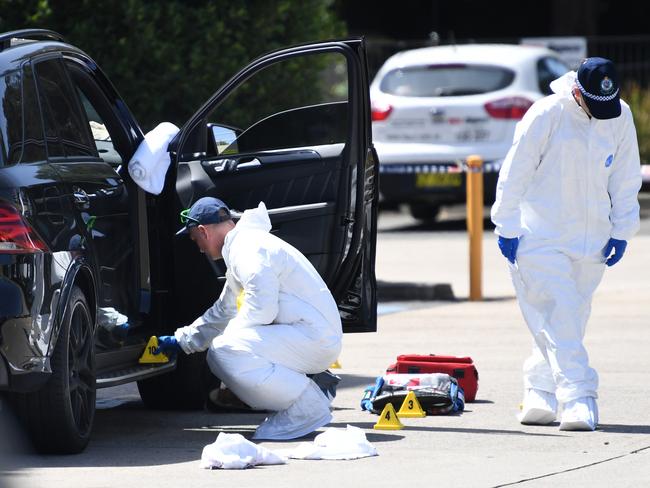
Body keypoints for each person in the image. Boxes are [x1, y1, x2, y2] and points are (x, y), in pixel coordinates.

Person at [491, 57, 642, 431]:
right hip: (540, 236)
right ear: (577, 92)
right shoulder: (545, 114)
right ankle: (579, 396)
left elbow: (625, 174)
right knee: (560, 310)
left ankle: (540, 391)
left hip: (591, 242)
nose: (601, 112)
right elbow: (515, 171)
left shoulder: (618, 115)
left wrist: (622, 229)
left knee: (567, 319)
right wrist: (506, 223)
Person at [154, 197, 342, 440]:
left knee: (225, 350)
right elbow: (225, 310)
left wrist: (231, 338)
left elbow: (262, 308)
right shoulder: (244, 247)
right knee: (229, 346)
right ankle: (311, 390)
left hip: (312, 338)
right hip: (309, 335)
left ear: (203, 231)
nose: (199, 247)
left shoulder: (247, 249)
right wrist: (182, 340)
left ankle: (306, 406)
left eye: (195, 239)